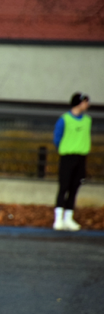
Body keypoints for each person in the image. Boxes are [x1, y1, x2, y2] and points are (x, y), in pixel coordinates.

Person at [53, 92, 92, 231]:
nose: (87, 105)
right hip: (67, 156)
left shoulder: (87, 120)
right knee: (64, 186)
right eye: (85, 102)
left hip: (81, 157)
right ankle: (58, 218)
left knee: (75, 187)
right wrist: (63, 148)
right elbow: (57, 138)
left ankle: (68, 218)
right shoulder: (64, 119)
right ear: (79, 103)